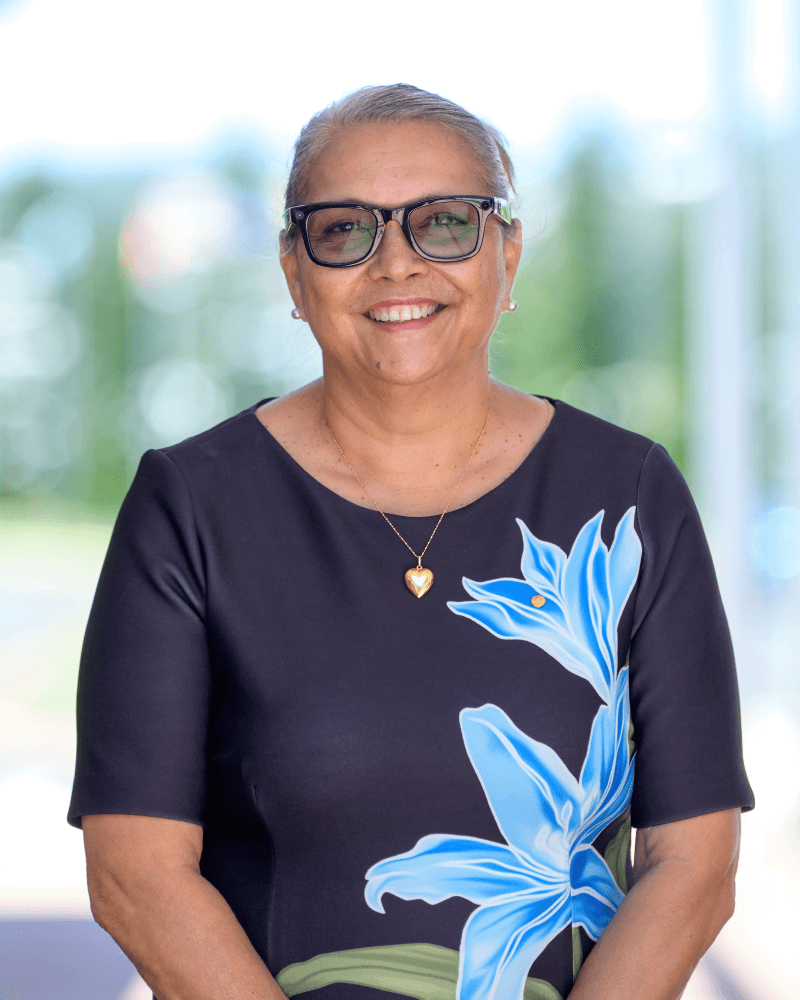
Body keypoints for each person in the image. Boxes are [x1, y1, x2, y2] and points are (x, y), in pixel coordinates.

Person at [69, 83, 754, 1000]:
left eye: (444, 223)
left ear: (507, 255)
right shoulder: (190, 506)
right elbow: (135, 874)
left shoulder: (627, 497)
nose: (396, 262)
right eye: (345, 230)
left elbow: (694, 862)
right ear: (294, 273)